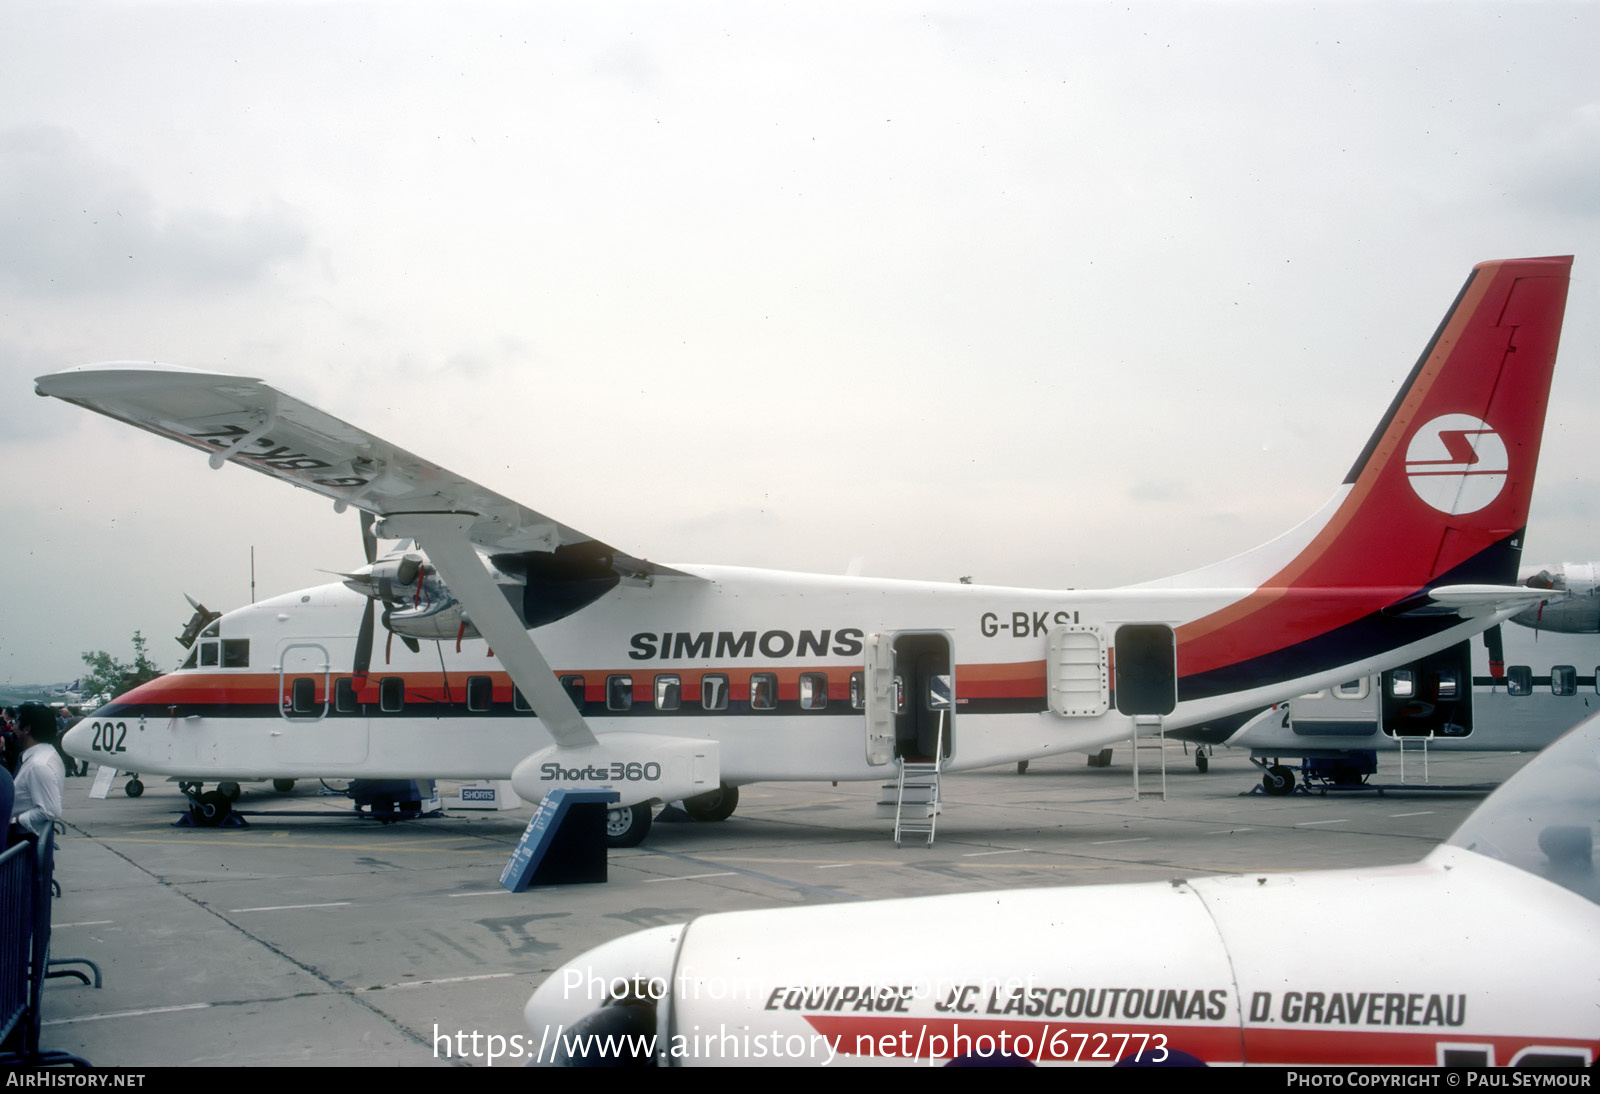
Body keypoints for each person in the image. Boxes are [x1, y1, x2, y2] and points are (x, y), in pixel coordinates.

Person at [12, 702, 65, 840]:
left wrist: (14, 820)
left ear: (27, 729)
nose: (13, 727)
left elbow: (50, 811)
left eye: (16, 722)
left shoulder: (38, 765)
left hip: (26, 841)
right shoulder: (47, 754)